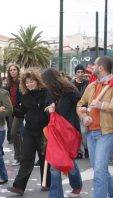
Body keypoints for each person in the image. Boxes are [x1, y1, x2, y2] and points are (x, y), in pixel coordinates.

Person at [7, 68, 50, 195]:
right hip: (29, 131)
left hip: (44, 131)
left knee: (44, 158)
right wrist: (11, 110)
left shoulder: (46, 93)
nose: (29, 84)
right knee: (27, 158)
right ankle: (19, 187)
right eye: (27, 82)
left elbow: (52, 110)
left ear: (37, 81)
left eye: (32, 81)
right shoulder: (25, 96)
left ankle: (46, 183)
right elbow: (21, 113)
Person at [42, 68, 83, 198]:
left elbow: (81, 104)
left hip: (70, 131)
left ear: (51, 80)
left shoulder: (71, 91)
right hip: (56, 131)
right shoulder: (50, 92)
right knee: (55, 164)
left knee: (69, 161)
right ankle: (55, 195)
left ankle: (76, 185)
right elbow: (47, 105)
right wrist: (49, 108)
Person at [77, 56, 113, 198]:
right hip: (90, 133)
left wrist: (102, 105)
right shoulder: (91, 86)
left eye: (94, 65)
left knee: (98, 171)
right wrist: (84, 116)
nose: (90, 67)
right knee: (101, 170)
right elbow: (80, 104)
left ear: (100, 68)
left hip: (106, 133)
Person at [6, 63, 23, 165]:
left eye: (14, 70)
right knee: (15, 134)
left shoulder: (21, 82)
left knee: (14, 132)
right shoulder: (8, 83)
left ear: (18, 71)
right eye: (11, 70)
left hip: (19, 110)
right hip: (10, 110)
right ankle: (19, 156)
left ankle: (19, 156)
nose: (12, 72)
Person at [72, 64, 89, 159]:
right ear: (75, 73)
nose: (80, 74)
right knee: (75, 131)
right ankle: (78, 151)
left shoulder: (87, 83)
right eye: (78, 72)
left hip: (84, 110)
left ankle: (86, 149)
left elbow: (89, 96)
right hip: (74, 110)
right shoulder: (71, 84)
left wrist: (86, 107)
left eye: (82, 72)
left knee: (83, 131)